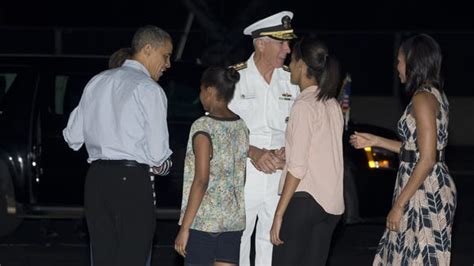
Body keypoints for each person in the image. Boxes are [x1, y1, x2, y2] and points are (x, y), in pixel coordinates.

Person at [63, 25, 173, 266]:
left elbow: (72, 137)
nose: (168, 64)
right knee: (132, 257)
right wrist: (165, 166)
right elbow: (157, 155)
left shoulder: (97, 81)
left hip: (96, 180)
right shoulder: (149, 89)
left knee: (102, 257)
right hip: (131, 181)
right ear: (147, 49)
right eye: (166, 56)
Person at [350, 34, 457, 265]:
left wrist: (399, 206)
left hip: (425, 190)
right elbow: (417, 149)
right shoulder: (435, 95)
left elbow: (427, 159)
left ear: (412, 61)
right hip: (423, 183)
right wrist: (376, 140)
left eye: (399, 60)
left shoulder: (422, 98)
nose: (397, 66)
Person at [227, 11, 300, 265]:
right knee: (237, 242)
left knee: (273, 241)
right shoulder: (234, 79)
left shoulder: (292, 80)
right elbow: (222, 131)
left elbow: (300, 129)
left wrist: (288, 154)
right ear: (260, 43)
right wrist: (254, 151)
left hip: (280, 174)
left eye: (288, 43)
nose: (288, 49)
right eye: (281, 42)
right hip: (244, 173)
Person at [270, 38, 344, 265]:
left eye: (292, 61)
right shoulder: (332, 103)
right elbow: (322, 155)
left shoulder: (304, 105)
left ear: (302, 65)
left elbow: (298, 167)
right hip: (331, 206)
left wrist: (279, 213)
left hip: (304, 201)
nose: (290, 66)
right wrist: (286, 160)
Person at [175, 66, 249, 266]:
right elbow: (241, 175)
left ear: (208, 90)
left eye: (200, 90)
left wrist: (184, 228)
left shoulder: (203, 126)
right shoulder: (241, 126)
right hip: (233, 221)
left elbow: (201, 180)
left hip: (203, 222)